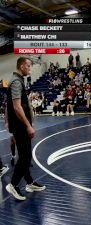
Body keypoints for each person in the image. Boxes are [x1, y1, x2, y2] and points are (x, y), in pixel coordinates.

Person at [6, 57, 46, 201]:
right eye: (29, 66)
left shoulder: (17, 80)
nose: (30, 69)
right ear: (22, 66)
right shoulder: (16, 82)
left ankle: (29, 183)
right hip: (20, 126)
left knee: (25, 156)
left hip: (19, 125)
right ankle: (13, 184)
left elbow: (12, 105)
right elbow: (16, 107)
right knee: (25, 157)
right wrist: (28, 126)